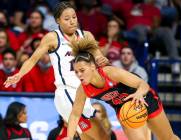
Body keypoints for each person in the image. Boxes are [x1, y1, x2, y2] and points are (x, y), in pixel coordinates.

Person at [4, 1, 109, 139]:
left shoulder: (86, 35)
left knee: (97, 136)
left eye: (74, 17)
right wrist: (19, 74)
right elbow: (32, 59)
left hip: (84, 93)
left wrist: (103, 60)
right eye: (67, 19)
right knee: (98, 136)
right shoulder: (53, 37)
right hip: (66, 93)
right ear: (58, 20)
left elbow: (100, 58)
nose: (72, 21)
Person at [65, 38, 180, 140]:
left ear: (92, 66)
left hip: (145, 98)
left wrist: (139, 94)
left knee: (168, 138)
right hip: (124, 109)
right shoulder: (83, 89)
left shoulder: (110, 72)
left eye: (82, 70)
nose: (79, 74)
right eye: (76, 72)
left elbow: (143, 84)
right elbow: (75, 114)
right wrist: (69, 137)